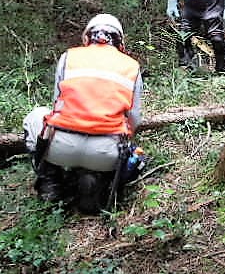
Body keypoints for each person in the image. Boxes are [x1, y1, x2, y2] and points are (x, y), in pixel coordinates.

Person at [23, 14, 144, 214]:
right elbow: (134, 118)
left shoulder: (69, 57)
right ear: (119, 40)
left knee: (36, 115)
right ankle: (97, 179)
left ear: (88, 36)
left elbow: (57, 105)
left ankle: (50, 181)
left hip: (60, 147)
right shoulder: (131, 65)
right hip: (106, 154)